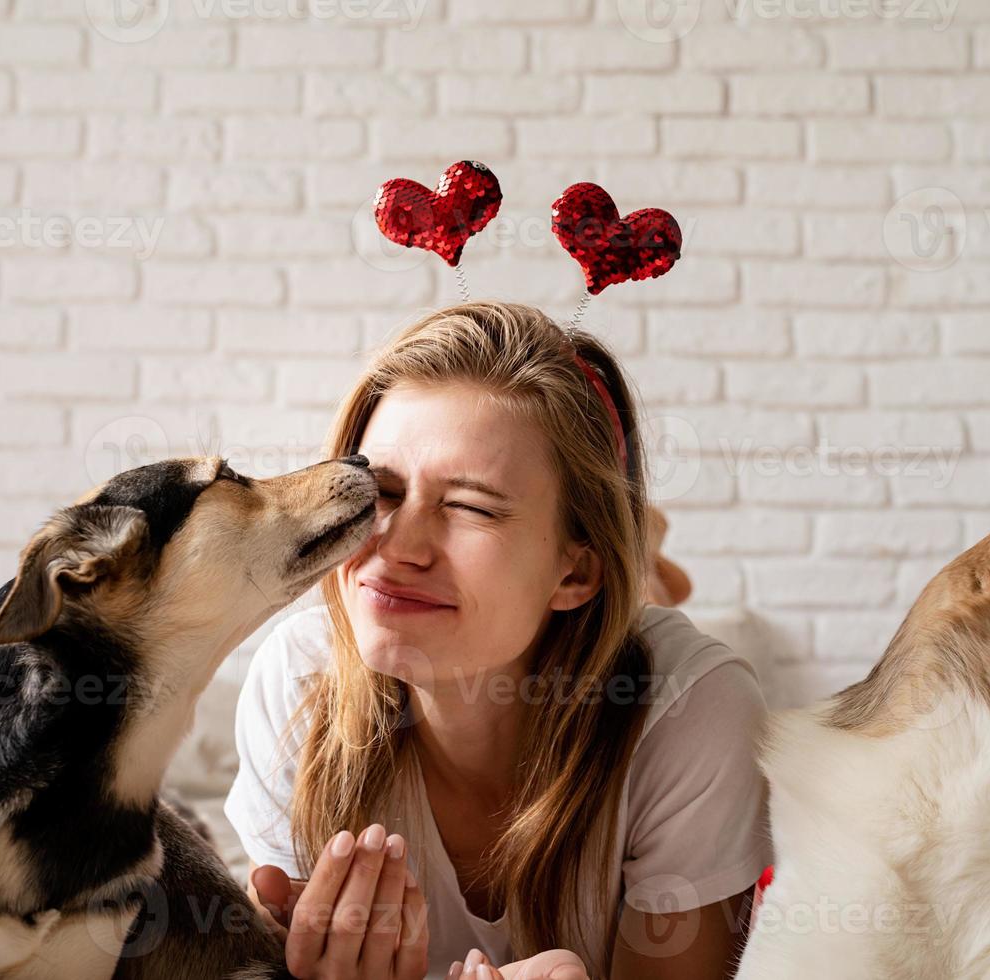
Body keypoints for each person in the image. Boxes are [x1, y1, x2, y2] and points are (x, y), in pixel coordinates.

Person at [223, 301, 773, 979]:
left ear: (575, 569)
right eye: (380, 491)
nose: (397, 549)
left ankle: (644, 566)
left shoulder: (698, 708)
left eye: (470, 507)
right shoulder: (299, 677)